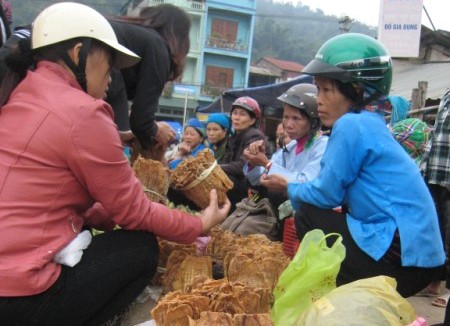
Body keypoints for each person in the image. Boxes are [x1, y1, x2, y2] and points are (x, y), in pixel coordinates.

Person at [0, 3, 230, 325]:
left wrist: (101, 212)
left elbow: (40, 195)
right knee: (140, 248)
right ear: (80, 54)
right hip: (22, 298)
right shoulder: (83, 111)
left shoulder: (19, 96)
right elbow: (134, 212)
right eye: (109, 67)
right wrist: (200, 225)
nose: (111, 80)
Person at [260, 33, 445, 298]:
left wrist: (288, 186)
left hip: (400, 261)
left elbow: (326, 194)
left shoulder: (352, 125)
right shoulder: (370, 123)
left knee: (308, 214)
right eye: (317, 89)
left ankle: (345, 298)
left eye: (326, 90)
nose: (318, 99)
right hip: (418, 261)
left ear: (355, 91)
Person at [106, 4, 191, 156]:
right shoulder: (158, 47)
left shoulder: (134, 37)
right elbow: (142, 121)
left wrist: (126, 132)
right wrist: (157, 131)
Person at [243, 83, 328, 213]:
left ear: (313, 121)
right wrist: (253, 162)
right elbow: (257, 179)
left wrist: (266, 163)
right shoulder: (290, 147)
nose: (288, 125)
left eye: (296, 118)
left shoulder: (322, 146)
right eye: (286, 117)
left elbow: (305, 183)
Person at [420, 90, 450, 309]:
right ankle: (435, 281)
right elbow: (437, 137)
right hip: (436, 173)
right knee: (437, 231)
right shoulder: (448, 95)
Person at [220, 96, 268, 212]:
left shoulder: (254, 135)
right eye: (235, 113)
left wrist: (217, 168)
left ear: (252, 120)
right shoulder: (234, 137)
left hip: (251, 188)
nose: (236, 117)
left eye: (242, 114)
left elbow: (243, 166)